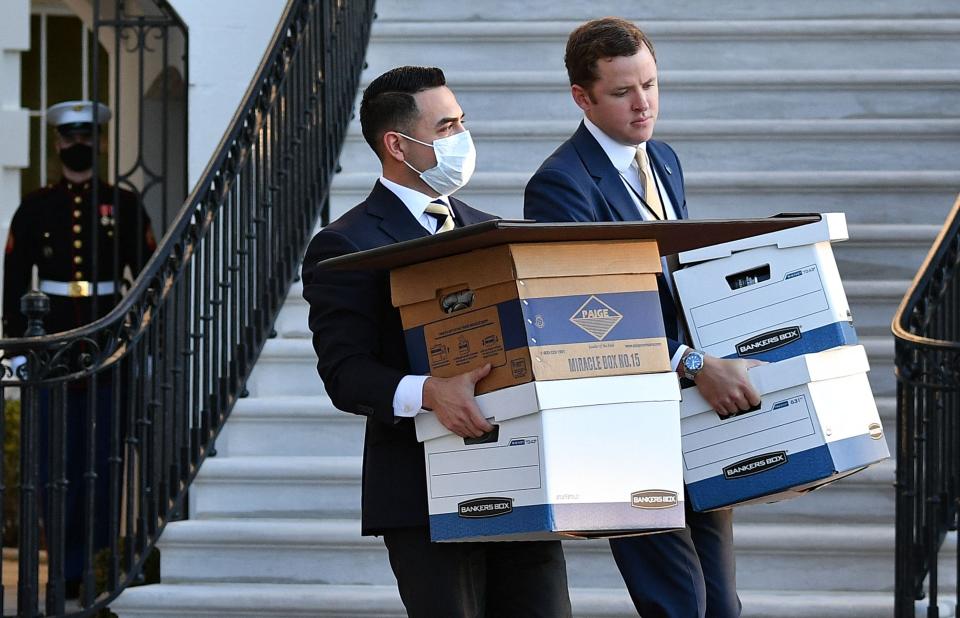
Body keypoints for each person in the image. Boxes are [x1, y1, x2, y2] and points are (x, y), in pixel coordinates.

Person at [301, 66, 572, 618]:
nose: (462, 140)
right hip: (422, 495)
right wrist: (430, 392)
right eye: (447, 128)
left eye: (461, 123)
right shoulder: (345, 243)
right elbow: (345, 374)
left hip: (522, 476)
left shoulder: (488, 228)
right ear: (398, 144)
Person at [523, 18, 762, 618]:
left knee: (721, 603)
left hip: (690, 416)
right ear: (582, 97)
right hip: (621, 425)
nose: (643, 103)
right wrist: (694, 363)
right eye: (623, 92)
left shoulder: (664, 158)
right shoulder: (559, 185)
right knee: (677, 602)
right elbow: (587, 320)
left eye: (651, 84)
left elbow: (676, 286)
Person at [2, 100, 157, 598]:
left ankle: (96, 566)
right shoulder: (35, 206)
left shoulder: (125, 204)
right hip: (51, 346)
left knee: (105, 459)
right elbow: (11, 280)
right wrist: (20, 348)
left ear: (101, 141)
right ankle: (63, 571)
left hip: (107, 343)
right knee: (53, 464)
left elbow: (149, 277)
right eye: (69, 136)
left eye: (87, 135)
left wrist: (141, 337)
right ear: (56, 142)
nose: (78, 144)